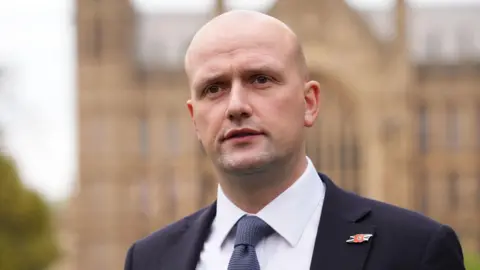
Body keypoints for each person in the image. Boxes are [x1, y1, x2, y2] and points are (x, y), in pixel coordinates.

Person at [124, 10, 465, 270]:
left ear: (310, 103)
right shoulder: (148, 260)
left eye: (260, 79)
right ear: (193, 119)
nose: (237, 106)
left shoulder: (415, 251)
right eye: (214, 88)